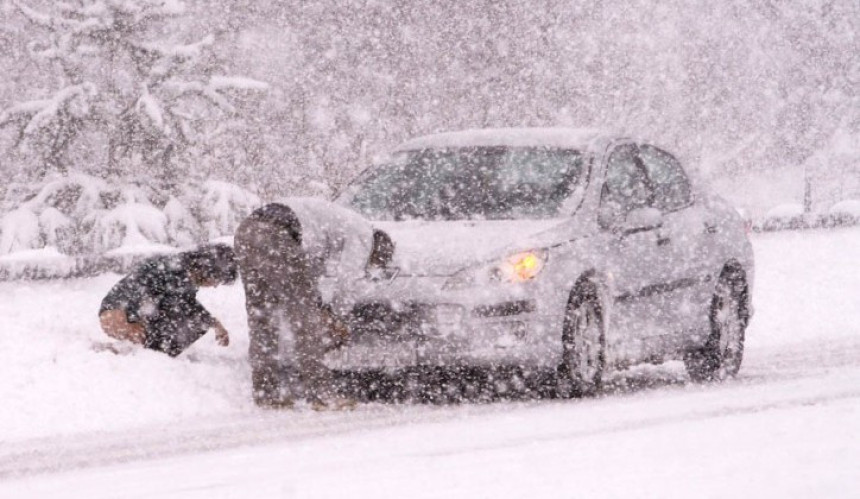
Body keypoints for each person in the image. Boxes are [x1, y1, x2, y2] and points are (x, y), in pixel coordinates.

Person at [234, 199, 394, 410]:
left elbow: (308, 275)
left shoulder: (331, 226)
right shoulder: (363, 233)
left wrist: (323, 308)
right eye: (371, 265)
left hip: (248, 231)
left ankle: (266, 393)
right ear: (377, 251)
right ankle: (322, 395)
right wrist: (337, 317)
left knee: (262, 319)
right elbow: (348, 279)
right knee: (306, 325)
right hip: (277, 235)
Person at [98, 243, 238, 357]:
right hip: (117, 314)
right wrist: (127, 324)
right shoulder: (171, 269)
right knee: (191, 321)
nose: (214, 286)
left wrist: (214, 323)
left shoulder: (185, 274)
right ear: (207, 269)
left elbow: (188, 304)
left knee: (195, 320)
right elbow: (134, 290)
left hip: (125, 314)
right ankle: (139, 355)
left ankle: (148, 355)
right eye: (217, 280)